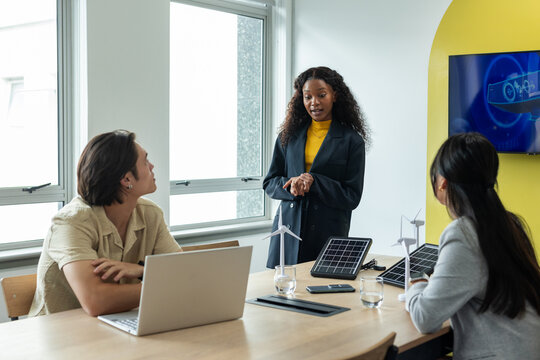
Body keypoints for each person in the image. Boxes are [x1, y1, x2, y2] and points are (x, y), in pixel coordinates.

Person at [406, 132, 540, 359]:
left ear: (442, 183)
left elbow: (425, 319)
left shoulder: (463, 234)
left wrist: (416, 286)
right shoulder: (510, 224)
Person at [29, 130, 181, 317]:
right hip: (58, 336)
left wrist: (143, 271)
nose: (152, 166)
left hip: (115, 325)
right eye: (145, 161)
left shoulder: (151, 214)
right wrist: (163, 286)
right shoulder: (71, 222)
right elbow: (96, 301)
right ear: (126, 179)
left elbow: (185, 272)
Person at [263, 66, 370, 268]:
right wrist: (291, 184)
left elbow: (352, 196)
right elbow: (270, 183)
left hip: (327, 236)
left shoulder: (352, 141)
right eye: (307, 97)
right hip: (287, 232)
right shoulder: (289, 137)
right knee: (278, 292)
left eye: (321, 95)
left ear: (335, 95)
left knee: (322, 294)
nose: (314, 103)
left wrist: (315, 182)